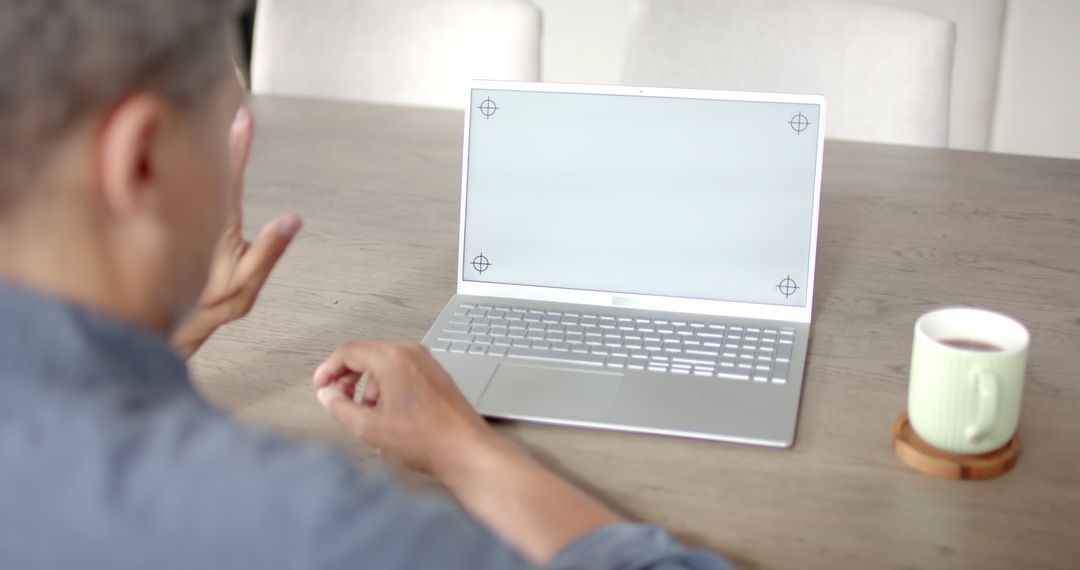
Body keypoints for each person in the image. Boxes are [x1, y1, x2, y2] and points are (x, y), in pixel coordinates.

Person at [0, 1, 734, 569]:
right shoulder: (310, 525)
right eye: (227, 131)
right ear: (144, 162)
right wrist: (465, 449)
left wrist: (172, 329)